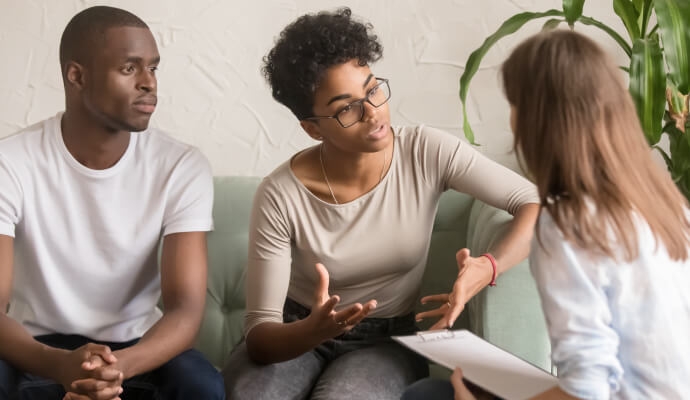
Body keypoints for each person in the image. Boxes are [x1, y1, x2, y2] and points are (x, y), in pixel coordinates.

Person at [222, 8, 540, 400]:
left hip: (386, 341)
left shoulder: (426, 151)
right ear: (312, 128)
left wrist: (487, 266)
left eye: (372, 90)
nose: (372, 113)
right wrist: (312, 330)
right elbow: (261, 337)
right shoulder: (280, 194)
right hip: (296, 331)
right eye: (346, 108)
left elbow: (533, 202)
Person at [403, 30, 690, 400]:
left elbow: (588, 389)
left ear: (539, 121)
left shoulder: (568, 226)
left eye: (514, 105)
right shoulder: (667, 204)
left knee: (430, 394)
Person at [0, 6, 224, 400]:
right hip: (36, 349)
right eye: (129, 69)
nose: (148, 84)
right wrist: (60, 366)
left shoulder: (180, 165)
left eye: (153, 68)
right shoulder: (11, 161)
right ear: (77, 76)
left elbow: (185, 312)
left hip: (139, 348)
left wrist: (112, 371)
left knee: (201, 386)